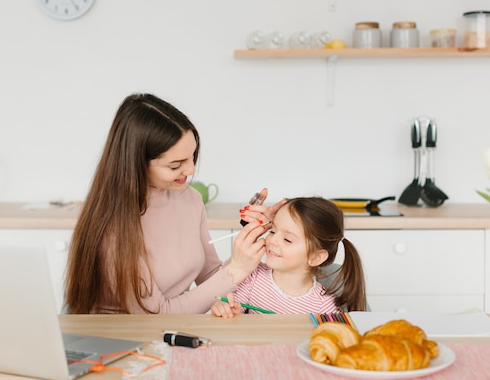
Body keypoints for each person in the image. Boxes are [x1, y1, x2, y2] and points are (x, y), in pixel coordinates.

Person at [64, 93, 283, 314]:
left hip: (169, 334)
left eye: (193, 156)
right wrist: (236, 269)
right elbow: (158, 315)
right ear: (137, 164)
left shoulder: (190, 199)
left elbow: (211, 277)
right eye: (175, 165)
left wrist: (252, 239)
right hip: (121, 340)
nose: (190, 170)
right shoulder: (113, 225)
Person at [211, 197, 367, 318]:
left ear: (315, 257)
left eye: (287, 239)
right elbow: (232, 308)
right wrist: (225, 308)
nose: (272, 240)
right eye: (272, 231)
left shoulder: (324, 307)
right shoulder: (253, 276)